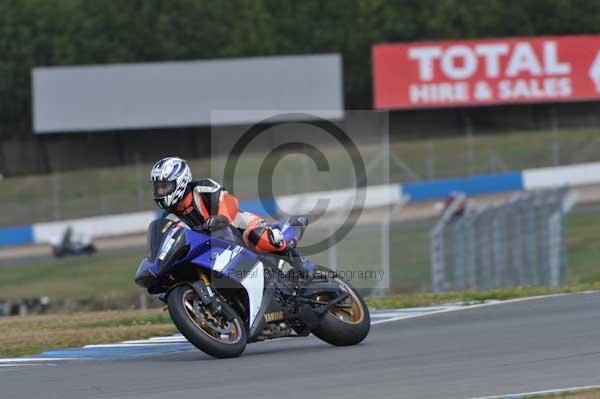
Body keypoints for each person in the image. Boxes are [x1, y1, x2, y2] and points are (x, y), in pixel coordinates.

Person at [150, 156, 303, 263]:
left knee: (257, 236)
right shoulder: (169, 217)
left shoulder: (203, 187)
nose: (160, 192)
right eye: (158, 188)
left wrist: (220, 218)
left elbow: (229, 202)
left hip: (237, 226)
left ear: (181, 181)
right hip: (212, 247)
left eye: (165, 186)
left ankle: (302, 264)